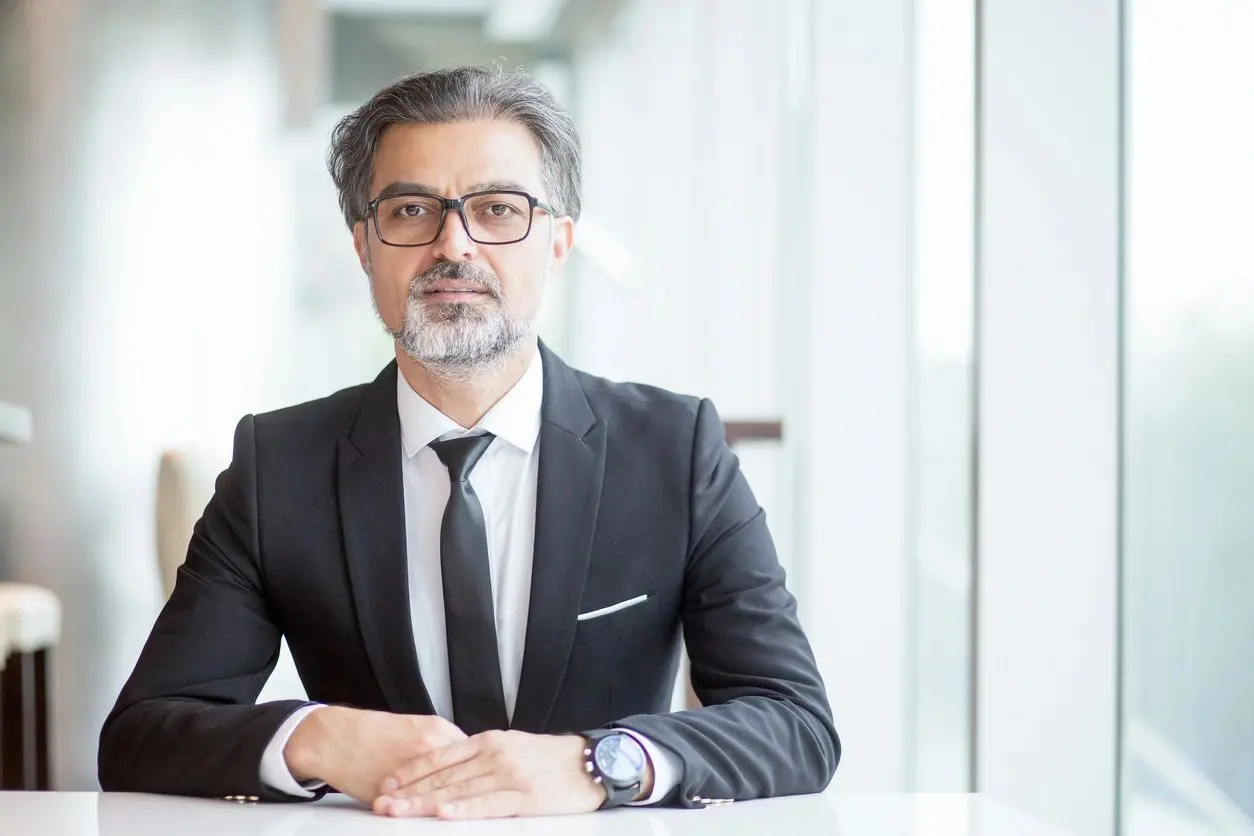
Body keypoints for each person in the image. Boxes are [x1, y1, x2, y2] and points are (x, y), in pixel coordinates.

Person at [98, 66, 839, 820]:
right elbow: (141, 734)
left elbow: (795, 722)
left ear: (557, 241)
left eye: (497, 208)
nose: (455, 245)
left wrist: (600, 764)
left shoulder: (676, 452)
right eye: (412, 209)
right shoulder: (278, 465)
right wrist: (317, 738)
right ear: (363, 246)